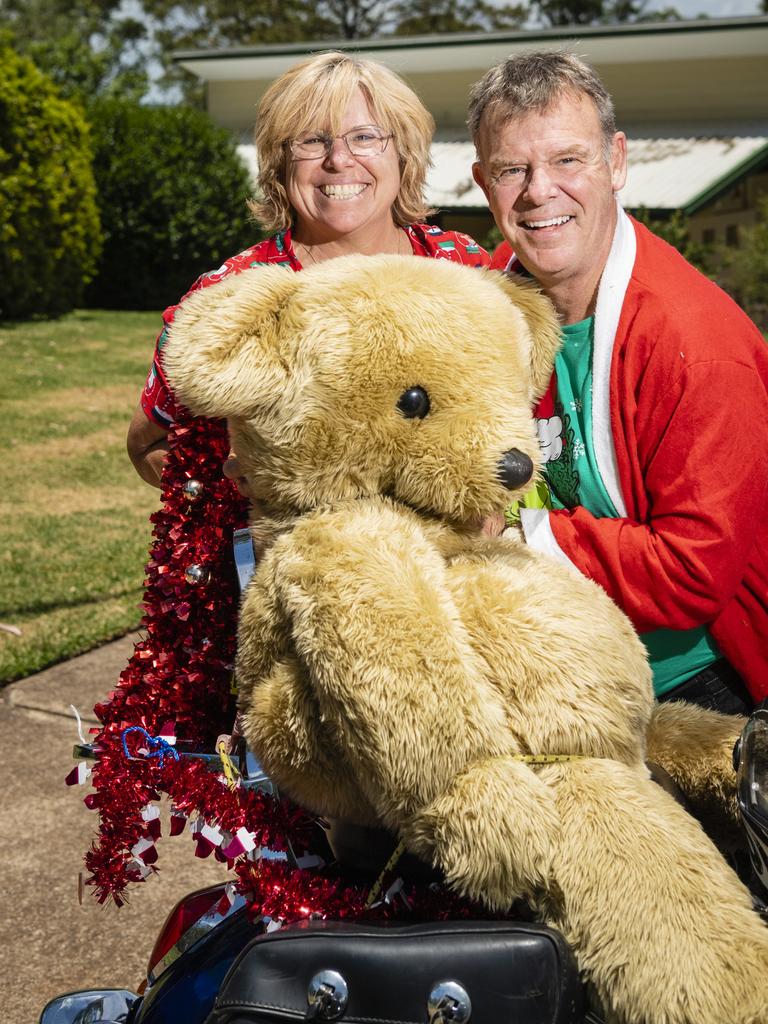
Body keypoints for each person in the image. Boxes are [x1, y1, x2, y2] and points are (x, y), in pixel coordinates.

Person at [469, 51, 768, 713]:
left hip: (689, 686)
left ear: (618, 162)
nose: (539, 190)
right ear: (484, 185)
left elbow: (692, 573)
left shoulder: (697, 344)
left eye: (568, 160)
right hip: (545, 667)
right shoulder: (490, 299)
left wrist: (522, 537)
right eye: (512, 169)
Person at [127, 51, 488, 488]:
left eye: (365, 136)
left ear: (403, 154)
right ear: (280, 163)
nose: (339, 159)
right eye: (312, 141)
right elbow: (148, 444)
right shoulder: (234, 291)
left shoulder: (461, 263)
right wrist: (235, 490)